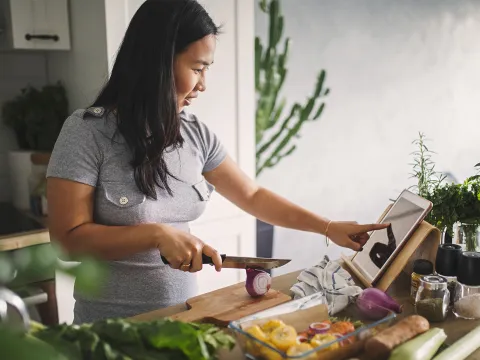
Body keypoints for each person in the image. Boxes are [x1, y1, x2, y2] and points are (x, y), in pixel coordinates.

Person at [46, 0, 388, 324]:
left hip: (184, 321)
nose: (203, 85)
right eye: (197, 68)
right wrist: (154, 234)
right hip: (110, 331)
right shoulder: (86, 132)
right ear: (157, 63)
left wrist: (328, 227)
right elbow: (67, 240)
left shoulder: (197, 135)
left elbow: (252, 196)